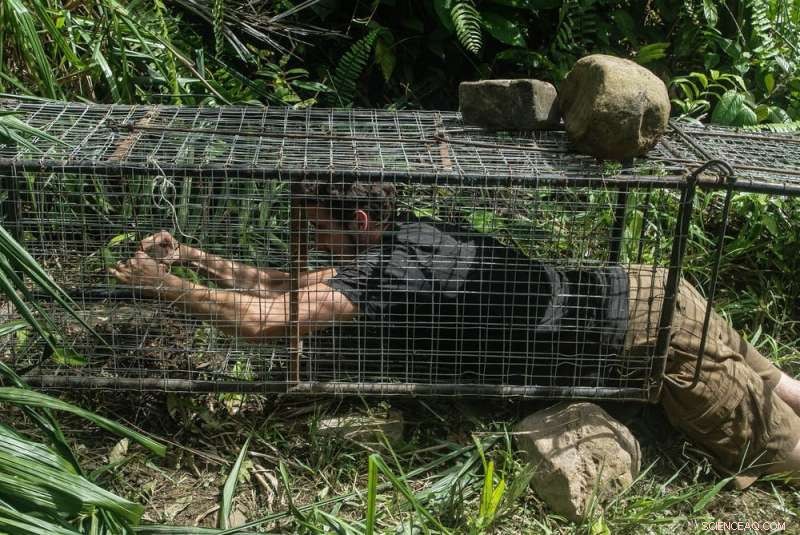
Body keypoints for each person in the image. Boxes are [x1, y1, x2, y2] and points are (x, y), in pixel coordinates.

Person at [109, 181, 800, 488]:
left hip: (650, 339)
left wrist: (160, 287)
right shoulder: (401, 234)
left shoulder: (389, 274)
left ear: (354, 220)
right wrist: (194, 259)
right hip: (655, 283)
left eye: (313, 225)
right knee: (777, 383)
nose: (305, 240)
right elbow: (278, 284)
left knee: (782, 453)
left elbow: (265, 320)